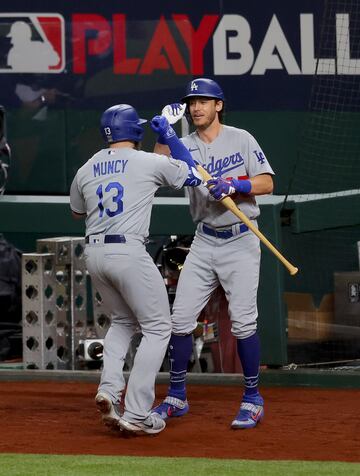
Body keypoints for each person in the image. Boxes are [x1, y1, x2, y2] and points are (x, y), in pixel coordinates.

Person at [69, 104, 201, 435]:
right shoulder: (147, 161)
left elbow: (77, 212)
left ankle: (109, 391)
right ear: (136, 131)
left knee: (123, 322)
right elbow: (192, 173)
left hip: (96, 253)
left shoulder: (86, 168)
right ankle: (138, 412)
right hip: (128, 251)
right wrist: (169, 133)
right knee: (158, 328)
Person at [152, 78, 275, 429]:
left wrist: (237, 185)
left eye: (203, 101)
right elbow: (157, 171)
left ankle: (252, 399)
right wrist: (163, 134)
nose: (195, 107)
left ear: (218, 105)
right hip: (204, 240)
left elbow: (267, 182)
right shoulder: (182, 144)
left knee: (244, 322)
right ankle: (176, 396)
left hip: (241, 239)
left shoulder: (241, 138)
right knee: (179, 320)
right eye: (191, 102)